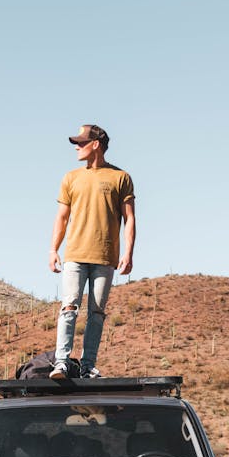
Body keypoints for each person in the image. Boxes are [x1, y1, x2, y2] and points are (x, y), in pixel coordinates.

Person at [48, 124, 136, 379]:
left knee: (96, 312)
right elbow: (61, 218)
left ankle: (88, 366)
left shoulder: (120, 178)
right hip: (75, 254)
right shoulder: (71, 177)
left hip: (105, 257)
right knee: (69, 307)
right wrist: (53, 249)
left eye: (81, 142)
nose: (77, 146)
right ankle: (61, 362)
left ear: (95, 144)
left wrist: (128, 253)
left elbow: (129, 218)